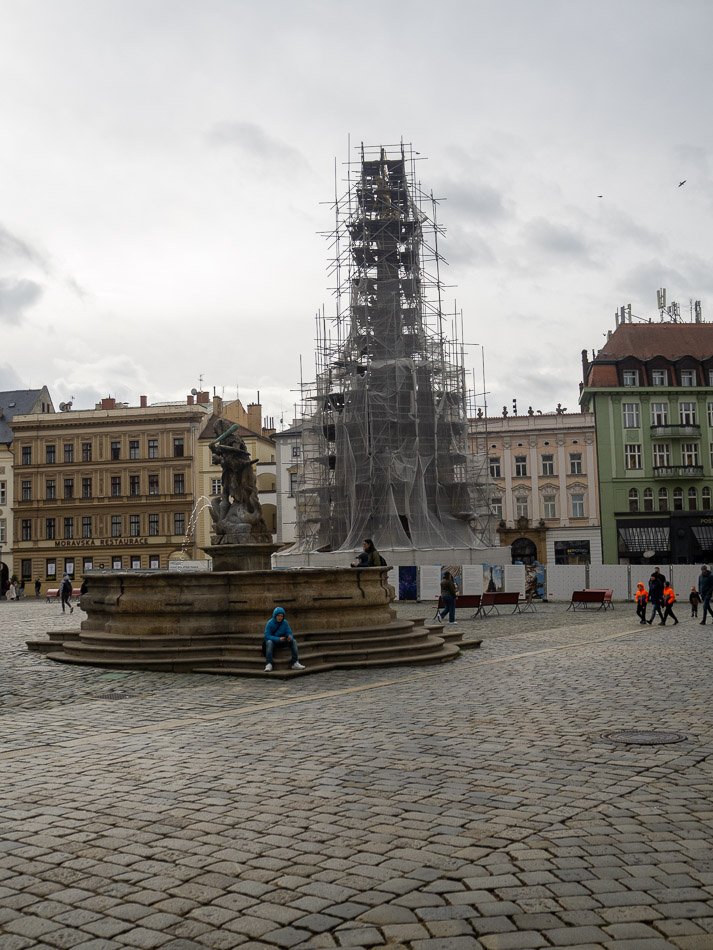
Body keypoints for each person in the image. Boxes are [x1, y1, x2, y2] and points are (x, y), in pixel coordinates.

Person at [263, 607, 305, 672]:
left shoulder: (285, 623)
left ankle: (295, 663)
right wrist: (278, 639)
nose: (280, 617)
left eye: (281, 616)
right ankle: (269, 664)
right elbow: (267, 636)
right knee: (269, 642)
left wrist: (289, 637)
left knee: (293, 641)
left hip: (283, 641)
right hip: (274, 643)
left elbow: (289, 632)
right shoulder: (270, 623)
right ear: (275, 616)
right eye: (278, 616)